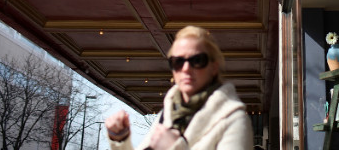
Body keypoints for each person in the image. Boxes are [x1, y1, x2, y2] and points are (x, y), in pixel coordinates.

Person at [105, 25, 253, 150]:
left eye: (197, 60)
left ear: (214, 67)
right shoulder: (168, 112)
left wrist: (175, 146)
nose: (186, 69)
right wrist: (121, 138)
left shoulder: (234, 118)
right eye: (178, 61)